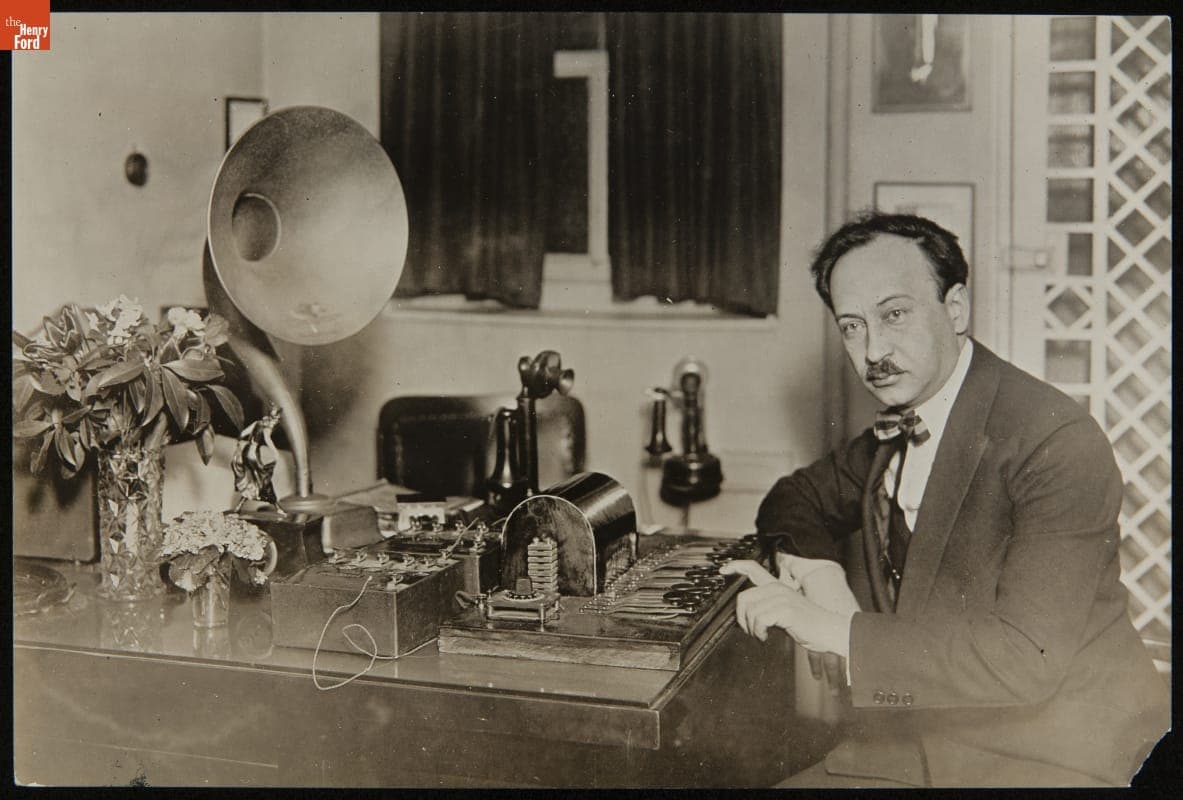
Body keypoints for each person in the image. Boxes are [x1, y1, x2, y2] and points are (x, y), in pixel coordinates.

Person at [721, 212, 1169, 787]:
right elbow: (794, 499)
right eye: (852, 326)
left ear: (955, 308)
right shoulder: (903, 423)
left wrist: (832, 630)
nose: (873, 350)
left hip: (1054, 754)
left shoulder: (1055, 440)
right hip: (923, 738)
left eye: (895, 314)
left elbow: (1023, 659)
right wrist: (822, 579)